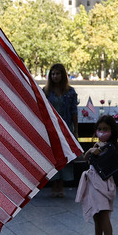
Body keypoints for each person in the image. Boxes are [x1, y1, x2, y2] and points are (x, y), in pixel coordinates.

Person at [76, 115, 118, 235]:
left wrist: (96, 152)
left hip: (103, 185)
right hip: (93, 185)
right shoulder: (96, 145)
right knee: (97, 217)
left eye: (105, 129)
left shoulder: (110, 148)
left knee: (104, 215)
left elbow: (106, 162)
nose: (102, 132)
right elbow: (85, 158)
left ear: (111, 131)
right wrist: (90, 151)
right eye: (99, 129)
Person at [42, 63, 79, 197]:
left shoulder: (70, 92)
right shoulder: (45, 91)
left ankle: (62, 185)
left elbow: (74, 111)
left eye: (57, 73)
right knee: (53, 158)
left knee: (65, 157)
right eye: (53, 74)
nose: (55, 76)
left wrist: (75, 130)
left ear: (63, 75)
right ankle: (54, 185)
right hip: (51, 129)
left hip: (66, 128)